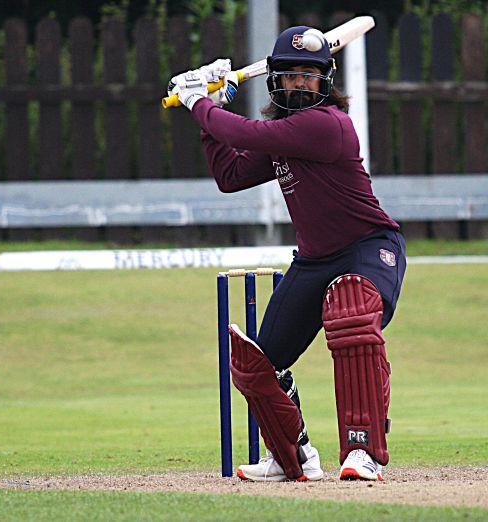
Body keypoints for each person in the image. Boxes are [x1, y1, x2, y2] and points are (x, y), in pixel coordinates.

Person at [169, 26, 406, 481]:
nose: (300, 83)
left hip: (367, 248)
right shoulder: (284, 137)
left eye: (309, 75)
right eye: (292, 75)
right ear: (275, 81)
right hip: (316, 260)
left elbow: (242, 132)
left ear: (324, 82)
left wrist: (199, 102)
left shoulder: (327, 125)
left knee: (352, 309)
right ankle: (292, 456)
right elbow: (231, 175)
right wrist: (212, 109)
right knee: (256, 364)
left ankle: (364, 453)